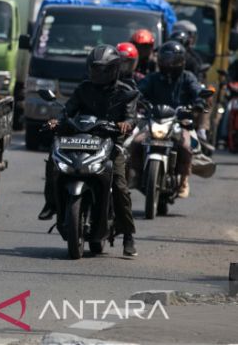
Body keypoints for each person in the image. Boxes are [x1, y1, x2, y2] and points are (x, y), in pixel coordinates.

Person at [38, 45, 138, 257]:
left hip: (110, 145)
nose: (98, 74)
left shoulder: (123, 91)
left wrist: (125, 124)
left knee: (120, 186)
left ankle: (128, 235)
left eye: (103, 70)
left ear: (114, 70)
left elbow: (130, 116)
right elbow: (68, 112)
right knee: (54, 160)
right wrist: (57, 122)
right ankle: (51, 203)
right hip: (82, 140)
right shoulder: (83, 89)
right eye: (95, 69)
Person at [132, 41, 204, 198]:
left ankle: (184, 179)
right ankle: (137, 174)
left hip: (179, 121)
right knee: (136, 143)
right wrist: (135, 97)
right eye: (166, 60)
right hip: (154, 120)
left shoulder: (188, 77)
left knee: (186, 147)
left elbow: (197, 91)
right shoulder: (153, 78)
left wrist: (198, 102)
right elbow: (139, 90)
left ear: (182, 61)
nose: (169, 64)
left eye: (174, 61)